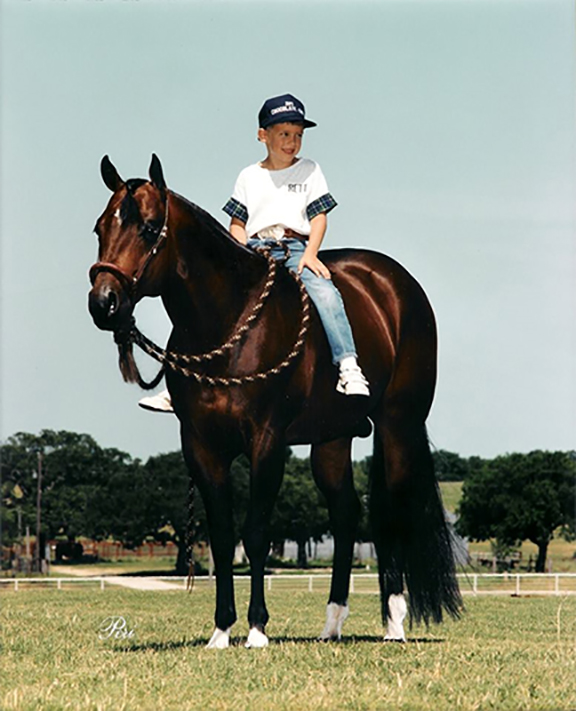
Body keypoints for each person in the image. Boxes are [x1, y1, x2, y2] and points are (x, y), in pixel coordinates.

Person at [139, 93, 369, 413]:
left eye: (298, 135)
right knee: (206, 302)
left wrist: (312, 254)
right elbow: (237, 224)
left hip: (294, 249)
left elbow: (319, 217)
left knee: (327, 294)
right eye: (284, 134)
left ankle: (348, 366)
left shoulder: (310, 171)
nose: (292, 142)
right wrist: (239, 254)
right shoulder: (249, 176)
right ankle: (178, 385)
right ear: (263, 136)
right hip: (255, 250)